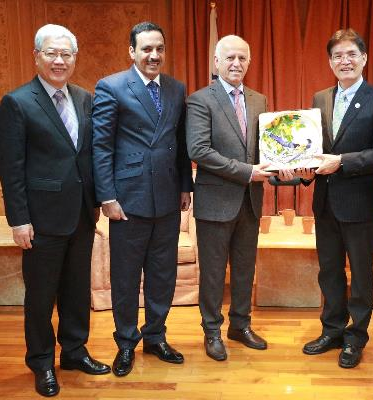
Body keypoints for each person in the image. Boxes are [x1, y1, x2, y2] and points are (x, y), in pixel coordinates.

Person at [0, 24, 110, 397]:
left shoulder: (84, 98)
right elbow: (11, 167)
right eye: (52, 53)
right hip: (41, 219)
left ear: (75, 58)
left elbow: (90, 154)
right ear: (37, 56)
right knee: (41, 296)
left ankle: (74, 352)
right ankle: (42, 362)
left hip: (80, 214)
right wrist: (19, 219)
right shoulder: (17, 102)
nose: (60, 60)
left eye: (67, 54)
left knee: (77, 290)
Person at [92, 21, 193, 376]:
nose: (154, 55)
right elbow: (101, 146)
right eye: (146, 49)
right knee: (125, 277)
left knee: (162, 275)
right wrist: (106, 196)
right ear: (132, 51)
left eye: (159, 49)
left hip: (166, 199)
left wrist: (185, 186)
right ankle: (125, 343)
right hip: (127, 201)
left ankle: (155, 337)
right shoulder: (112, 87)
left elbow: (180, 145)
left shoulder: (176, 89)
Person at [299, 29, 373, 369]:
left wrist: (341, 162)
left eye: (351, 55)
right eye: (338, 56)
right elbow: (313, 150)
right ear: (330, 62)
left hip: (359, 203)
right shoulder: (319, 98)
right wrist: (301, 167)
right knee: (329, 271)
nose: (345, 61)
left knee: (360, 273)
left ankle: (356, 337)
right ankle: (332, 330)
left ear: (365, 59)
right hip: (325, 202)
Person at [186, 35, 274, 361]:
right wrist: (248, 172)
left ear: (249, 62)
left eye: (242, 58)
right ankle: (212, 331)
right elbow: (199, 150)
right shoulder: (200, 100)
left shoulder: (259, 100)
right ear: (216, 62)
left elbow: (265, 149)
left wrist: (284, 165)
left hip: (250, 201)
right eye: (230, 58)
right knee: (212, 273)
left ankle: (240, 325)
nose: (236, 63)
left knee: (244, 270)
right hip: (214, 204)